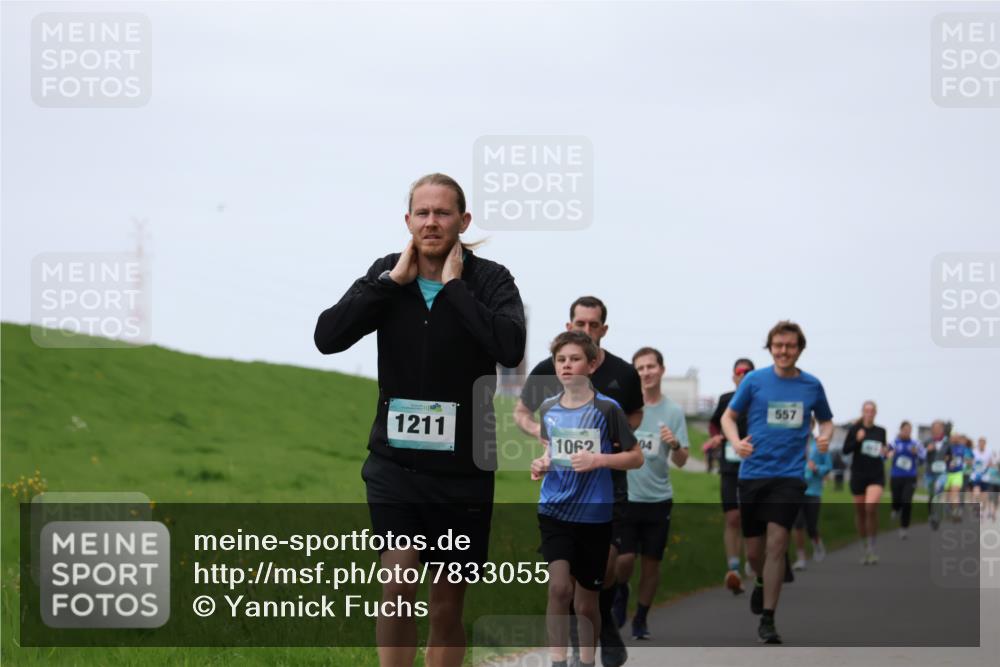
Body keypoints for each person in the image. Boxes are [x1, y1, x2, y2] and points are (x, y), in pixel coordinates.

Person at [313, 173, 526, 667]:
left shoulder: (491, 280)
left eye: (443, 212)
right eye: (422, 213)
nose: (432, 222)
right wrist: (387, 285)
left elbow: (509, 346)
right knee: (398, 583)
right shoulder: (387, 275)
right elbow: (328, 336)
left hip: (463, 472)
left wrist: (454, 289)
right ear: (408, 220)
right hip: (395, 467)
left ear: (463, 220)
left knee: (446, 606)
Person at [514, 296, 642, 667]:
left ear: (592, 362)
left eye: (575, 360)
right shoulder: (551, 406)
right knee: (558, 587)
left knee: (591, 593)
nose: (568, 366)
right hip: (555, 507)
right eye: (561, 360)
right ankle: (558, 660)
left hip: (600, 504)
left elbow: (634, 452)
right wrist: (543, 459)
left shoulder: (609, 402)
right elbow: (550, 442)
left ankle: (589, 653)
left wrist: (603, 453)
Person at [720, 320, 834, 645]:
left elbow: (826, 422)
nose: (784, 351)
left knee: (777, 544)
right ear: (770, 348)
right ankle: (758, 582)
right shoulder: (754, 381)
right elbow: (728, 416)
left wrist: (824, 437)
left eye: (790, 346)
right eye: (778, 345)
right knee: (755, 552)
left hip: (789, 476)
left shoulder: (811, 385)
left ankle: (768, 619)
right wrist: (737, 441)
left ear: (800, 349)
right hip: (753, 474)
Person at [611, 347, 689, 640]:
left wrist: (675, 445)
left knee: (651, 563)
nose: (646, 372)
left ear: (662, 370)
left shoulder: (673, 412)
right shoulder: (626, 408)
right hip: (627, 496)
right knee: (624, 560)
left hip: (658, 499)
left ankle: (641, 617)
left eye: (651, 366)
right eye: (640, 368)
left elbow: (682, 461)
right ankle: (620, 590)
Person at [705, 358, 756, 594]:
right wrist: (716, 436)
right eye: (739, 372)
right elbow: (714, 424)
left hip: (754, 466)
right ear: (733, 376)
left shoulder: (759, 400)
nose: (743, 375)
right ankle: (733, 568)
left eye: (748, 372)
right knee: (733, 517)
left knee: (749, 516)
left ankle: (753, 560)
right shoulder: (727, 400)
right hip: (729, 466)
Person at [842, 401, 890, 564]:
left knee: (870, 507)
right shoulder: (855, 430)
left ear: (875, 413)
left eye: (872, 410)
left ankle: (872, 546)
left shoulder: (881, 431)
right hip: (858, 475)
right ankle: (864, 546)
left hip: (876, 475)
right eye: (866, 410)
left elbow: (883, 451)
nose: (869, 413)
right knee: (861, 512)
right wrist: (857, 440)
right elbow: (846, 450)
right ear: (862, 412)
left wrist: (886, 452)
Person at [792, 419, 831, 570]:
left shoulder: (819, 443)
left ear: (812, 425)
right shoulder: (793, 443)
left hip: (813, 490)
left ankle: (817, 544)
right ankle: (800, 557)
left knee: (811, 526)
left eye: (808, 423)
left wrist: (817, 469)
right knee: (798, 524)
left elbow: (828, 466)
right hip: (795, 489)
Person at [888, 421, 924, 539]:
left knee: (907, 501)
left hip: (910, 476)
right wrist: (889, 453)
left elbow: (923, 458)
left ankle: (904, 528)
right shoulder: (894, 442)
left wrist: (917, 453)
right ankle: (895, 508)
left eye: (909, 430)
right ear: (901, 430)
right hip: (896, 475)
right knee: (896, 498)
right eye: (905, 430)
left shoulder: (916, 443)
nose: (907, 432)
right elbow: (885, 453)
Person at [924, 420, 950, 529]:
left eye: (939, 428)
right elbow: (920, 454)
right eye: (935, 428)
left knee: (938, 491)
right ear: (932, 429)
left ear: (942, 429)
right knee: (931, 495)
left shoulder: (947, 442)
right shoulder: (927, 441)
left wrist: (949, 458)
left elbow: (952, 454)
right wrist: (927, 450)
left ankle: (936, 517)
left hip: (942, 472)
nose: (937, 430)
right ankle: (931, 514)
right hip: (930, 472)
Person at [970, 437, 990, 512]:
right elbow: (971, 461)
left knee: (984, 494)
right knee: (976, 491)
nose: (981, 444)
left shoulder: (989, 452)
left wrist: (987, 467)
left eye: (983, 442)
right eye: (980, 442)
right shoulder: (974, 452)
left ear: (985, 443)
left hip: (985, 476)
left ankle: (983, 507)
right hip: (975, 475)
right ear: (978, 443)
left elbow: (990, 463)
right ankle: (976, 506)